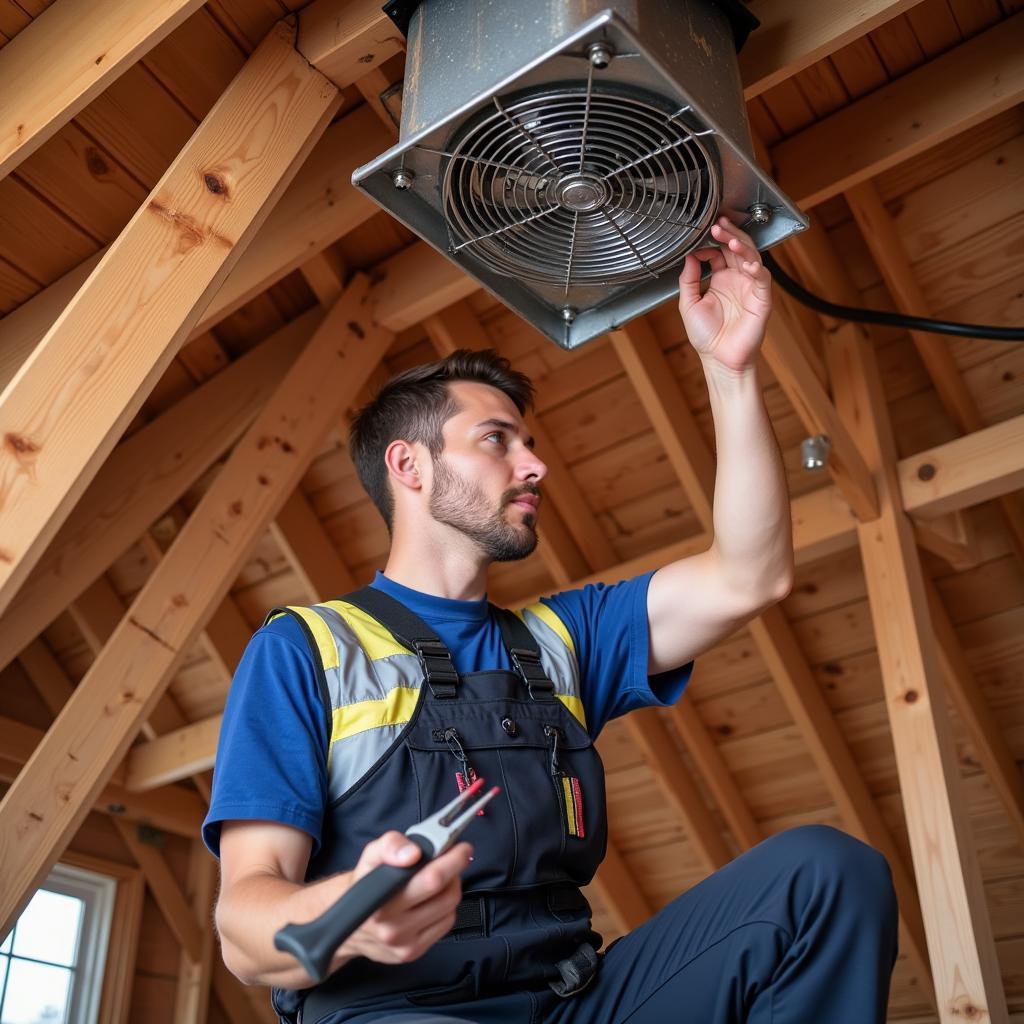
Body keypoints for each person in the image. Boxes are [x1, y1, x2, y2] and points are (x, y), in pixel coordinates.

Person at [203, 217, 898, 1024]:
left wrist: (729, 370)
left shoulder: (562, 640)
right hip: (397, 1015)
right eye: (496, 440)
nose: (534, 465)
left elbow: (751, 575)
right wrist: (342, 917)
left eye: (528, 444)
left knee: (826, 873)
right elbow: (242, 931)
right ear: (410, 465)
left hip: (572, 1004)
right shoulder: (307, 651)